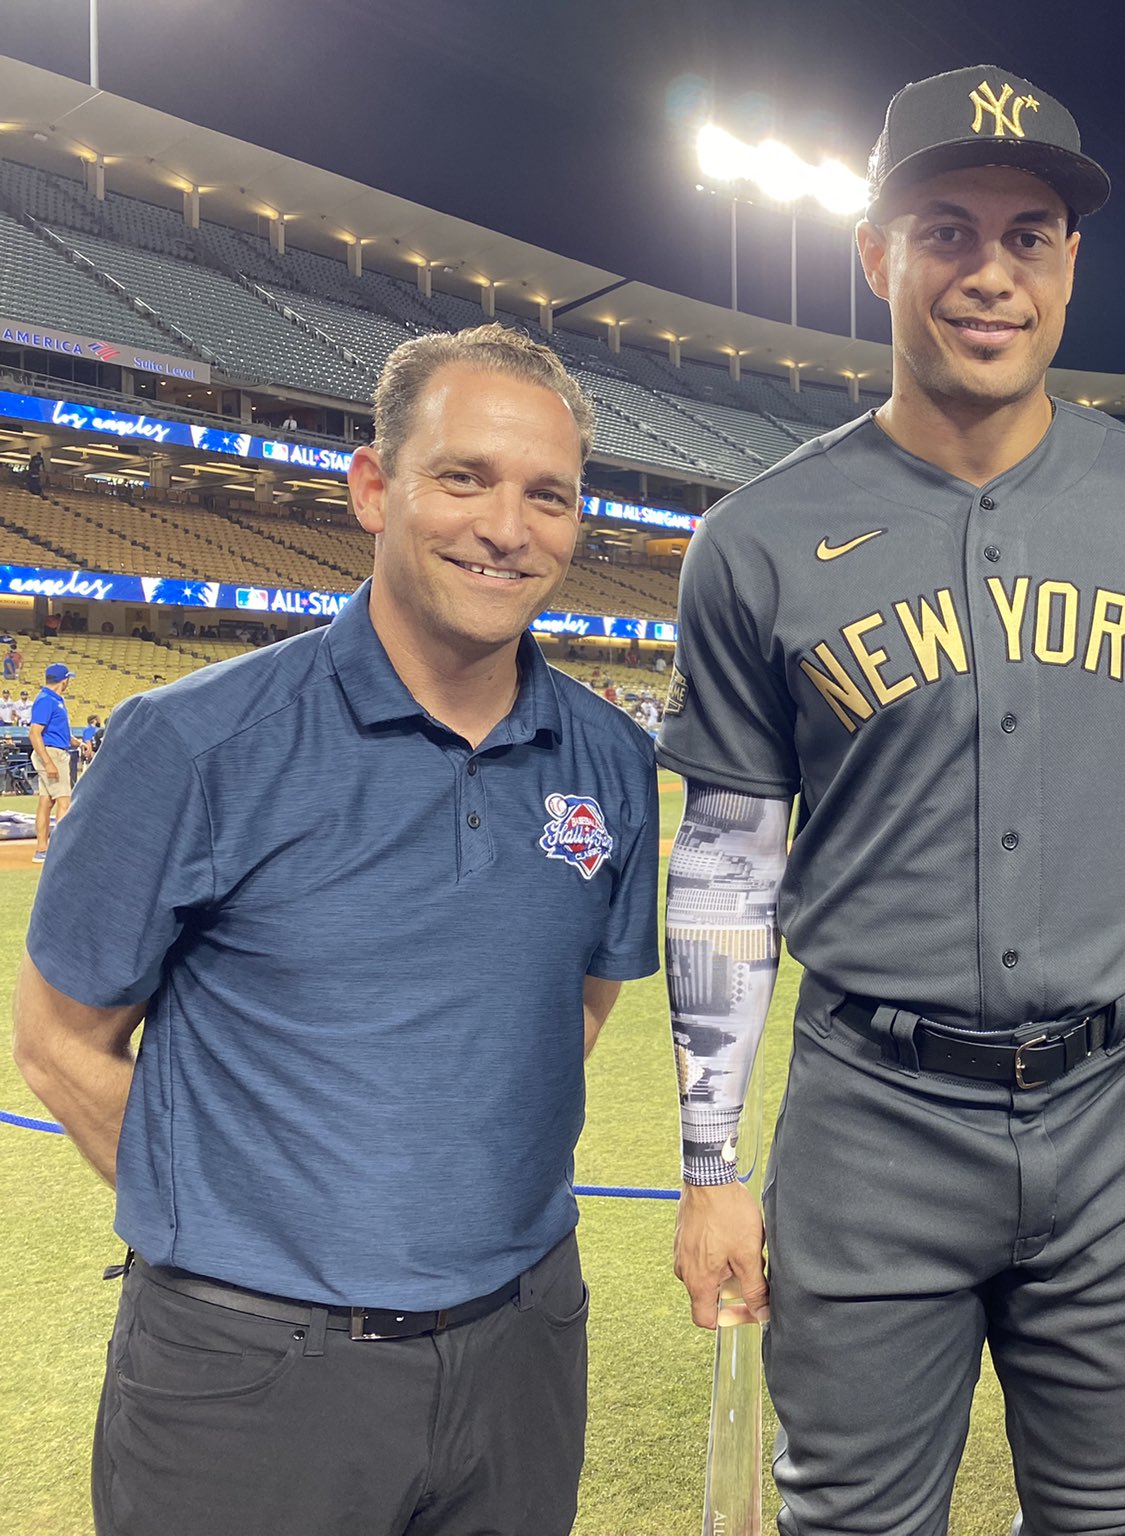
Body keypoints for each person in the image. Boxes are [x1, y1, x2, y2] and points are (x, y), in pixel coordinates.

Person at [661, 65, 1125, 1536]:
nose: (990, 272)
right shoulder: (757, 537)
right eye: (946, 229)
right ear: (878, 254)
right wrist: (710, 1168)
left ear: (1071, 266)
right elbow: (726, 863)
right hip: (872, 1114)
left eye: (1029, 235)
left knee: (1117, 1516)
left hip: (1115, 1109)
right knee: (855, 1520)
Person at [12, 324, 660, 1536]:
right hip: (249, 1375)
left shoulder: (610, 758)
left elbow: (563, 1009)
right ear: (375, 488)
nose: (507, 528)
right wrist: (241, 1244)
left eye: (548, 496)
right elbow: (57, 1039)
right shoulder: (191, 740)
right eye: (463, 477)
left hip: (522, 1349)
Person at [28, 662, 73, 863]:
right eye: (68, 679)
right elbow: (34, 733)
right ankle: (59, 850)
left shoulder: (55, 699)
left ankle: (42, 849)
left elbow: (57, 732)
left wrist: (78, 742)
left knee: (46, 802)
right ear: (64, 680)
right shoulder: (46, 700)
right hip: (52, 754)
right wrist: (48, 762)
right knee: (65, 801)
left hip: (54, 750)